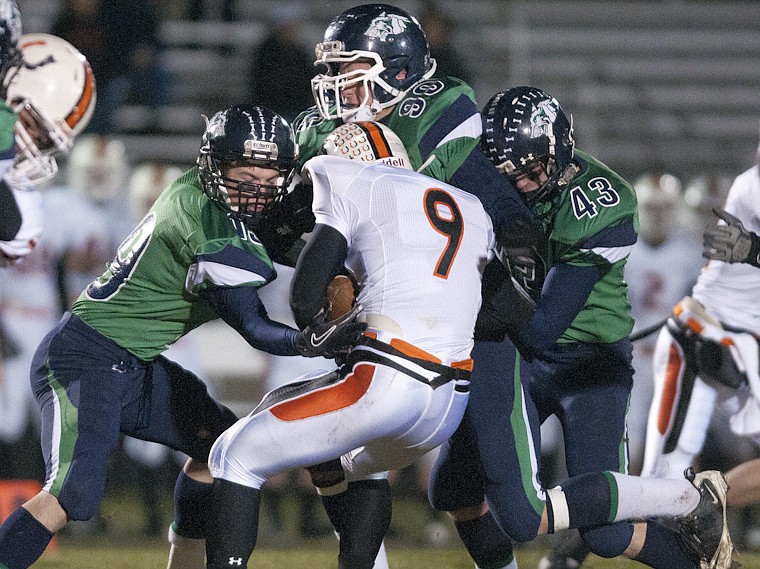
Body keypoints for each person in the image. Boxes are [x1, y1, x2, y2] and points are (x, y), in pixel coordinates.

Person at [0, 104, 366, 569]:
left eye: (267, 171)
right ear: (216, 164)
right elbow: (251, 324)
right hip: (85, 355)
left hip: (133, 362)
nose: (255, 184)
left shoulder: (207, 200)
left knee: (220, 452)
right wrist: (307, 341)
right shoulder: (206, 223)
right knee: (72, 495)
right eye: (243, 169)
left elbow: (276, 240)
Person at [428, 87, 735, 569]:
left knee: (607, 535)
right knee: (453, 486)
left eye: (532, 173)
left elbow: (544, 329)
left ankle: (687, 504)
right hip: (513, 358)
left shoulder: (599, 201)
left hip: (587, 364)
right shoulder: (487, 182)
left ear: (560, 148)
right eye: (510, 178)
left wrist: (487, 280)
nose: (524, 187)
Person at [203, 119, 497, 569]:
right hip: (448, 401)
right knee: (340, 451)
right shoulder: (470, 206)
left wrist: (321, 325)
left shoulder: (348, 177)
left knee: (233, 454)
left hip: (386, 383)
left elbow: (304, 296)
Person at [540, 172, 704, 568]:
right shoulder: (622, 243)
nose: (659, 215)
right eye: (652, 207)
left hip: (670, 363)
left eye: (665, 207)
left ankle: (690, 528)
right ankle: (582, 542)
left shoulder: (688, 251)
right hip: (628, 359)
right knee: (623, 465)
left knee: (673, 459)